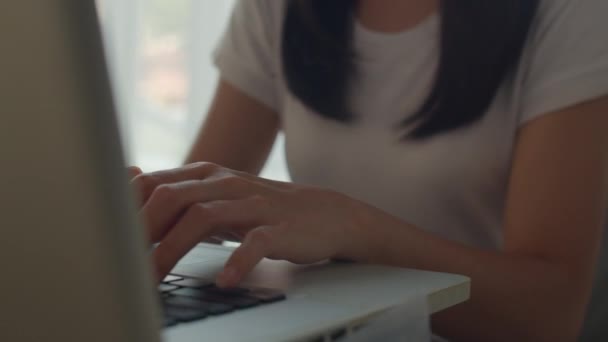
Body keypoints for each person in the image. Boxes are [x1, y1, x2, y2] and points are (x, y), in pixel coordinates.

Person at [130, 0, 608, 340]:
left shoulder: (572, 13)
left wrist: (356, 229)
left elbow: (550, 317)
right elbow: (198, 213)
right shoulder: (277, 7)